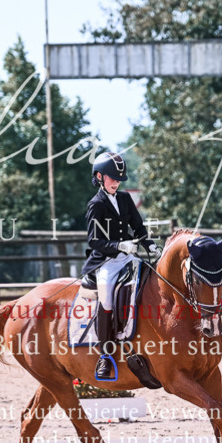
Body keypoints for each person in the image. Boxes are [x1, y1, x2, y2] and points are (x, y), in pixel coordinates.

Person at [81, 151, 159, 381]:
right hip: (106, 262)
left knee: (151, 281)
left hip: (129, 257)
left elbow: (138, 226)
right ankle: (106, 355)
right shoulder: (95, 205)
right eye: (112, 178)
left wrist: (150, 244)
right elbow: (94, 241)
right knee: (106, 298)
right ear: (99, 176)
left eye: (118, 179)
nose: (116, 182)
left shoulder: (125, 199)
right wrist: (118, 246)